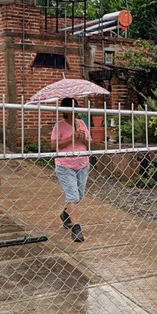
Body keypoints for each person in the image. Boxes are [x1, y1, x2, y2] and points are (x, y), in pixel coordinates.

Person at [51, 97, 91, 243]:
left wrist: (82, 137)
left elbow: (90, 142)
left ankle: (66, 214)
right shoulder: (59, 126)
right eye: (71, 109)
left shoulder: (81, 124)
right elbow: (53, 145)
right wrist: (72, 138)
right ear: (65, 111)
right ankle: (76, 228)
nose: (75, 112)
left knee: (79, 195)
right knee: (72, 196)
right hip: (65, 165)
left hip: (82, 163)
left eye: (76, 108)